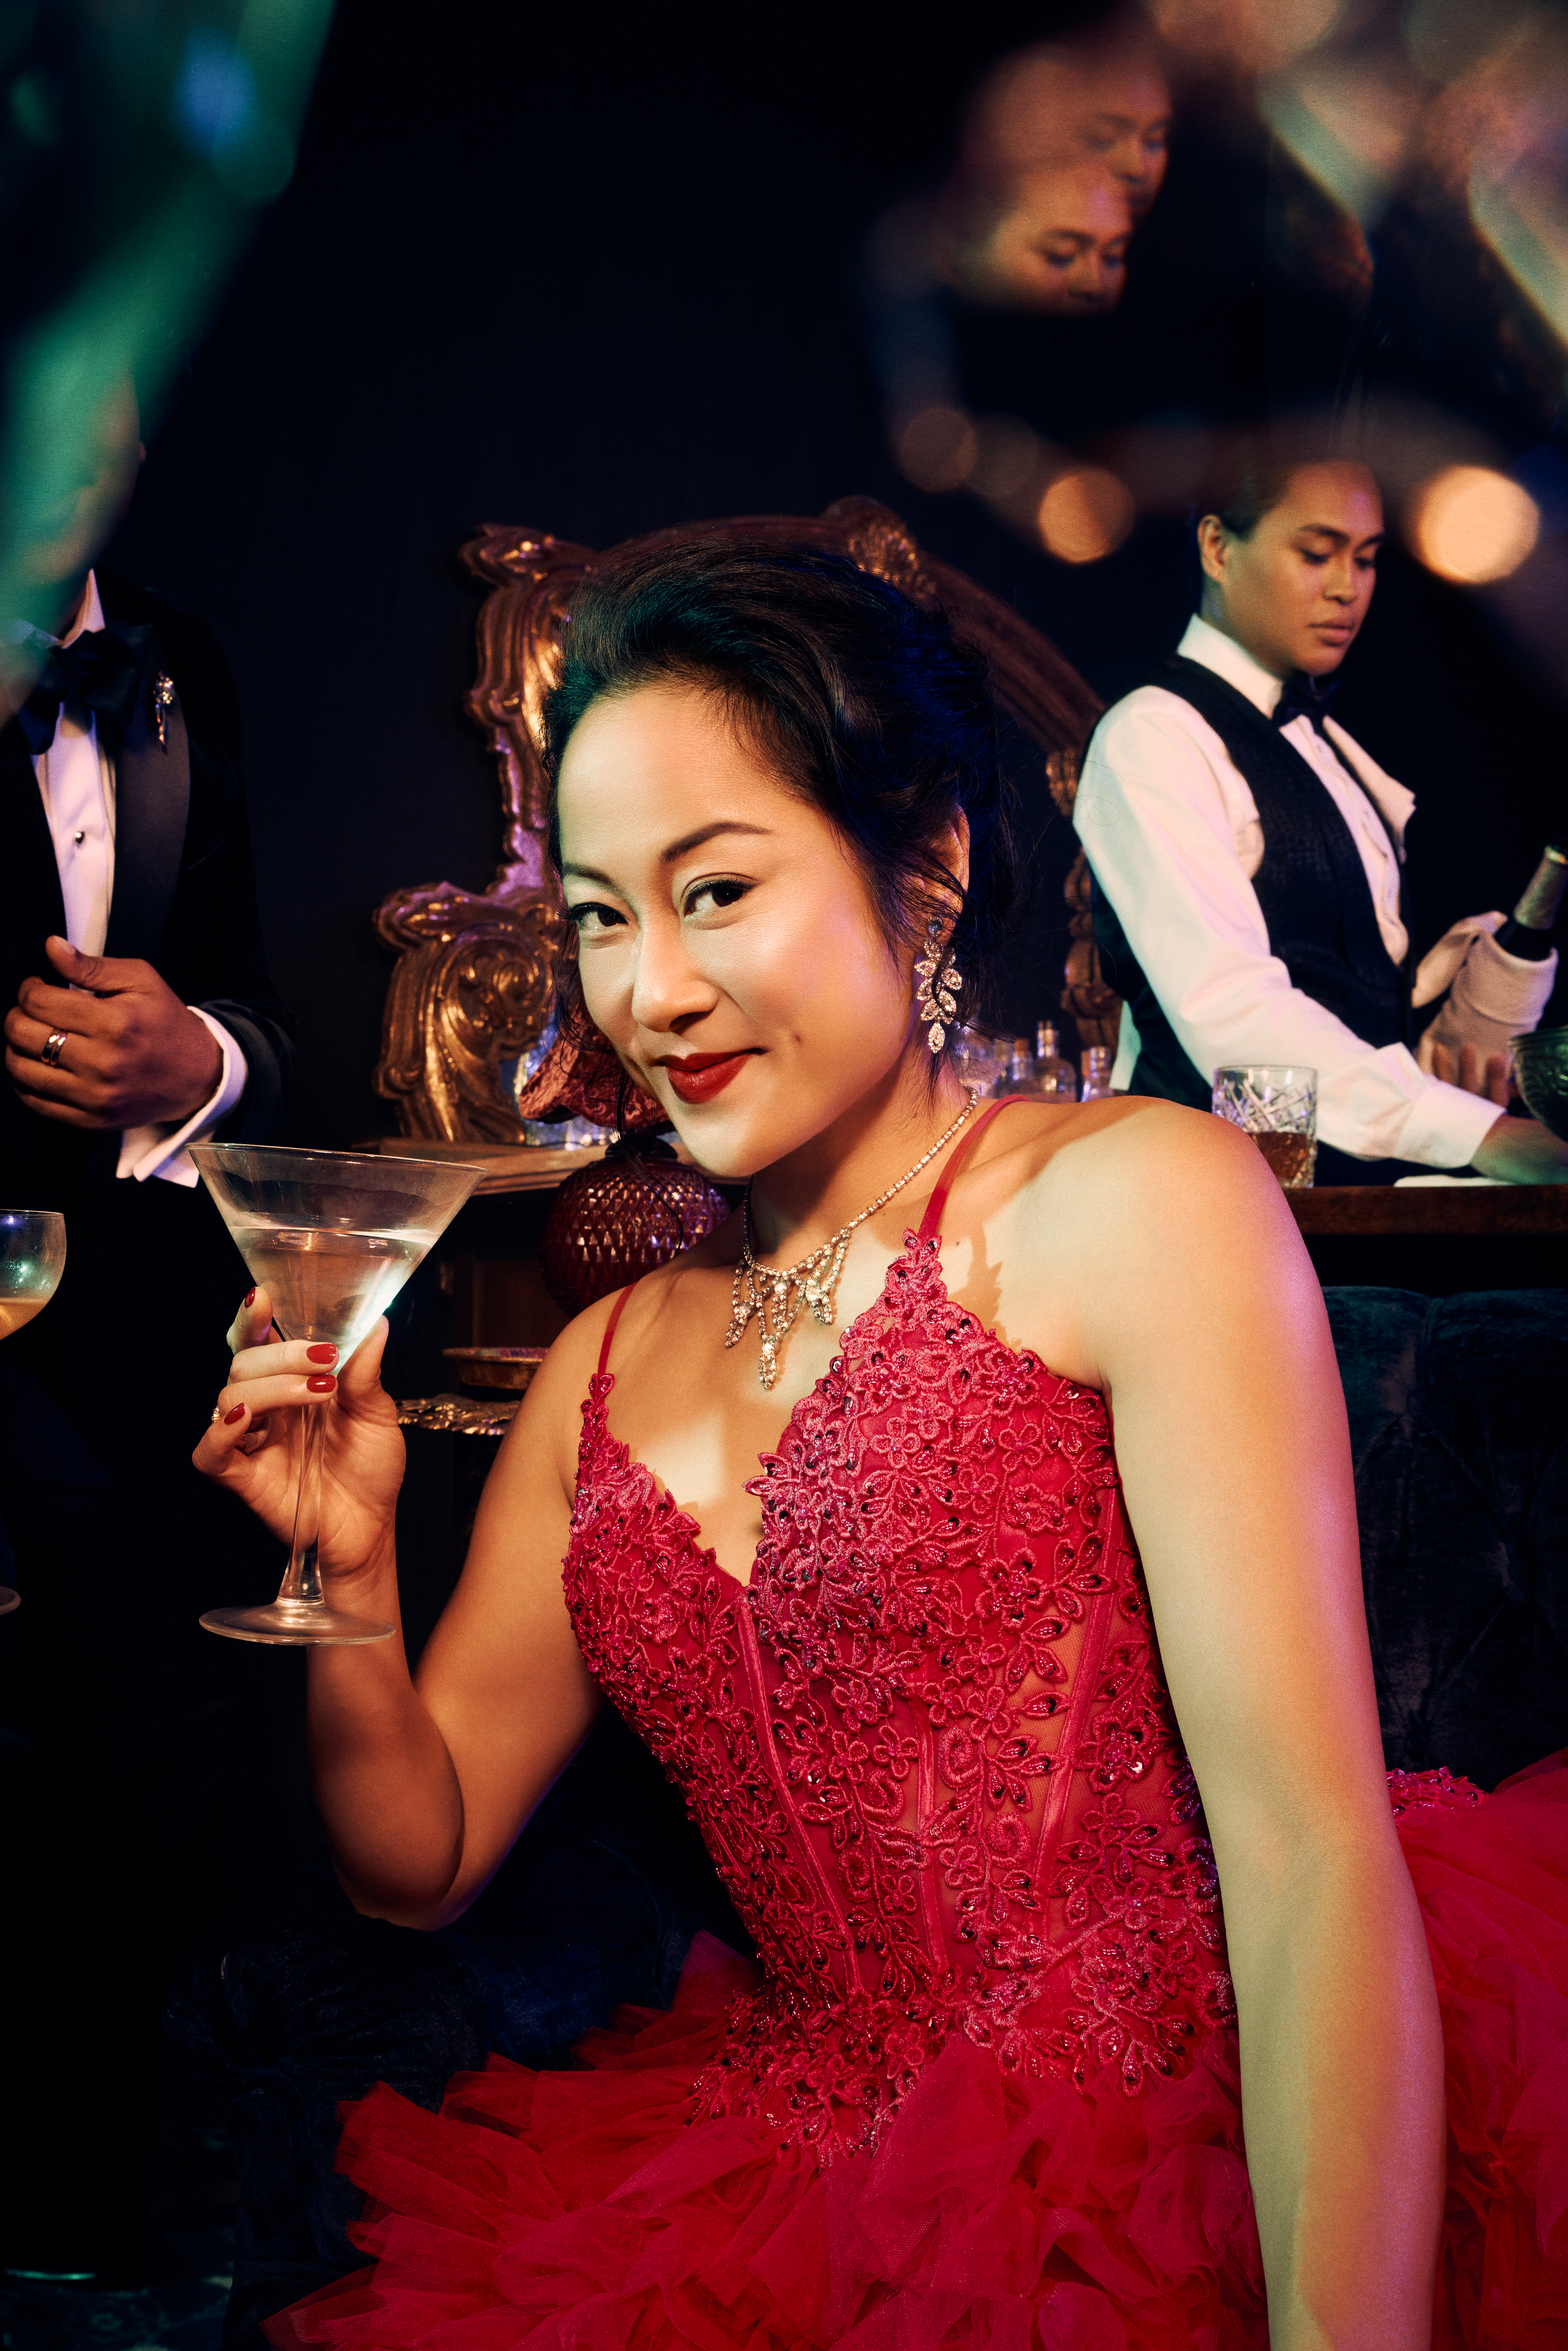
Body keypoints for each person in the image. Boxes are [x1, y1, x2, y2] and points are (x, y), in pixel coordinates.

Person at [198, 546, 1566, 2347]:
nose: (651, 990)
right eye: (603, 914)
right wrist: (353, 1571)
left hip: (1185, 2150)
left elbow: (1308, 1857)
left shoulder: (1130, 1200)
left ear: (928, 866)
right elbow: (418, 1851)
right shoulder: (603, 1364)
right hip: (791, 2178)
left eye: (718, 890)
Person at [0, 376, 293, 2277]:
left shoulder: (183, 665)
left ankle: (116, 2251)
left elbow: (267, 1011)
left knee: (171, 1788)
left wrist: (200, 1050)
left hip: (161, 1346)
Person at [1073, 448, 1566, 1183]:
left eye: (1366, 561)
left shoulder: (1324, 743)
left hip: (1360, 1198)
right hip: (1216, 1203)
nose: (1348, 589)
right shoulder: (1153, 734)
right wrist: (1484, 1134)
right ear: (1217, 548)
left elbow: (1347, 990)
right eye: (1316, 554)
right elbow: (1232, 1012)